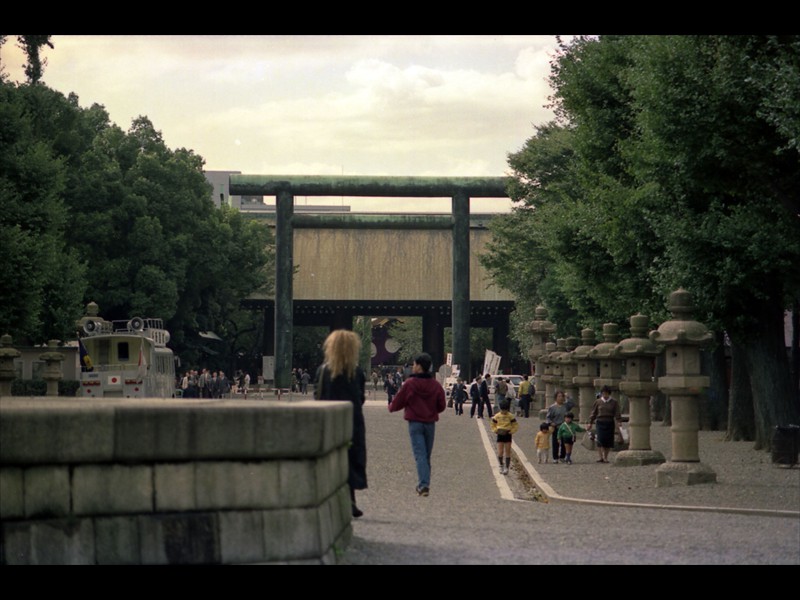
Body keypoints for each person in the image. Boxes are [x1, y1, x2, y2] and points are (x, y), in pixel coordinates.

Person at [314, 330, 368, 517]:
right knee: (350, 462)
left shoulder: (323, 372)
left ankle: (331, 501)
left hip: (329, 423)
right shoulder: (357, 372)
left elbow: (317, 396)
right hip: (352, 423)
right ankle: (350, 501)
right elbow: (360, 398)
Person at [388, 352, 446, 497]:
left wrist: (391, 407)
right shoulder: (435, 385)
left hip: (415, 423)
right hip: (430, 423)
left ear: (419, 366)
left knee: (420, 454)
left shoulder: (410, 384)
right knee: (426, 455)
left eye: (414, 364)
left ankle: (424, 485)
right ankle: (425, 483)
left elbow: (399, 401)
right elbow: (442, 405)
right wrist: (432, 410)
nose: (413, 367)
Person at [588, 385, 622, 463]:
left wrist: (619, 421)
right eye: (603, 393)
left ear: (609, 393)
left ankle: (605, 457)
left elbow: (617, 412)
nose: (605, 395)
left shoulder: (614, 402)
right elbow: (593, 413)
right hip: (600, 422)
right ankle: (600, 457)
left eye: (606, 393)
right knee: (600, 440)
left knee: (608, 441)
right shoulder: (598, 401)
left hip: (609, 421)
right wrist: (590, 422)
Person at [490, 399, 519, 474]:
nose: (504, 412)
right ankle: (501, 465)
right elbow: (493, 424)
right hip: (500, 434)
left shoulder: (510, 416)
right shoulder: (497, 416)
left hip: (508, 434)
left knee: (508, 451)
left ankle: (507, 467)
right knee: (500, 451)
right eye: (503, 410)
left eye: (505, 410)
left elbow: (515, 425)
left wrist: (512, 431)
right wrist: (495, 430)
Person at [545, 390, 574, 463]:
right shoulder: (552, 407)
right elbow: (548, 418)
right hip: (556, 427)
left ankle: (562, 456)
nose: (561, 398)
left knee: (565, 443)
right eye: (559, 396)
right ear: (555, 398)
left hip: (565, 427)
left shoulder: (566, 406)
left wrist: (568, 397)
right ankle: (555, 457)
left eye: (562, 396)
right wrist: (551, 423)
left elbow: (572, 403)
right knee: (555, 443)